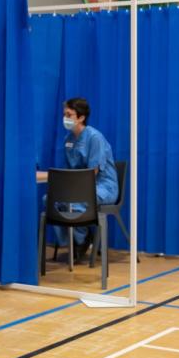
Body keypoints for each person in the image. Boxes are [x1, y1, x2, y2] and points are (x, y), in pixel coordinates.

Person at [61, 97, 119, 258]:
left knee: (77, 202)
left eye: (69, 114)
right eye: (64, 114)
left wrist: (73, 188)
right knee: (51, 200)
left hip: (102, 187)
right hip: (79, 186)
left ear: (81, 117)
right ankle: (73, 240)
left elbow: (93, 171)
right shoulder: (68, 139)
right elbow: (68, 169)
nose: (65, 118)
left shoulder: (94, 138)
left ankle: (81, 240)